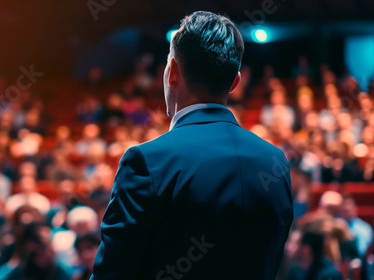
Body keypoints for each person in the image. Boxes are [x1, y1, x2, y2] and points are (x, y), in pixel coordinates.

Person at [90, 11, 293, 280]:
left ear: (172, 71)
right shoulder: (275, 161)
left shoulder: (146, 162)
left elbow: (112, 274)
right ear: (234, 82)